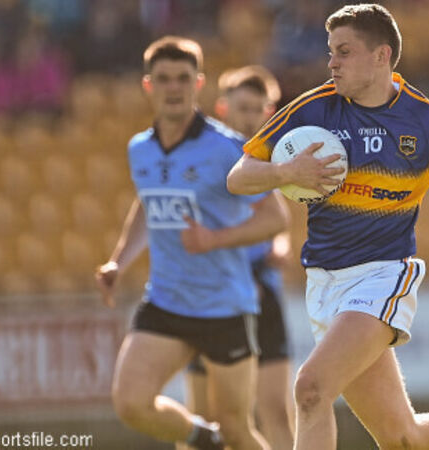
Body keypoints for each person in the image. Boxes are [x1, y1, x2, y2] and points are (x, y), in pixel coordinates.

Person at [227, 4, 429, 449]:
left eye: (344, 52)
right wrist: (285, 172)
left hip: (381, 276)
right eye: (331, 51)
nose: (331, 62)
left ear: (381, 55)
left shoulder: (426, 120)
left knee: (310, 389)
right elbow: (238, 177)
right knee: (403, 438)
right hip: (324, 284)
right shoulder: (314, 108)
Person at [95, 36, 289, 450]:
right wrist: (118, 263)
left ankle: (219, 437)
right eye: (163, 79)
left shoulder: (228, 149)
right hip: (166, 301)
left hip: (224, 307)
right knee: (130, 403)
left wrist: (215, 238)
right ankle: (205, 439)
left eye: (182, 78)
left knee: (238, 428)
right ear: (148, 85)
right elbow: (148, 205)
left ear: (198, 83)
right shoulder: (139, 149)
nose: (174, 88)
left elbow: (276, 218)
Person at [181, 65, 295, 450]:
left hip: (262, 292)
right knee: (206, 419)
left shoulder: (269, 161)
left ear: (268, 113)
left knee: (276, 409)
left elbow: (277, 220)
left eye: (256, 110)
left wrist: (280, 246)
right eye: (242, 108)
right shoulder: (206, 157)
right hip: (213, 291)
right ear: (222, 107)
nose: (249, 118)